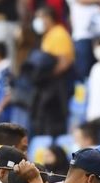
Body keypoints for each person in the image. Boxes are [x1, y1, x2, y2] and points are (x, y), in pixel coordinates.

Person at [30, 6, 74, 137]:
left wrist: (49, 75)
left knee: (55, 120)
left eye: (41, 17)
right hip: (49, 86)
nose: (38, 21)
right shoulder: (48, 35)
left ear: (50, 18)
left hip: (58, 85)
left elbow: (65, 61)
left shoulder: (59, 34)